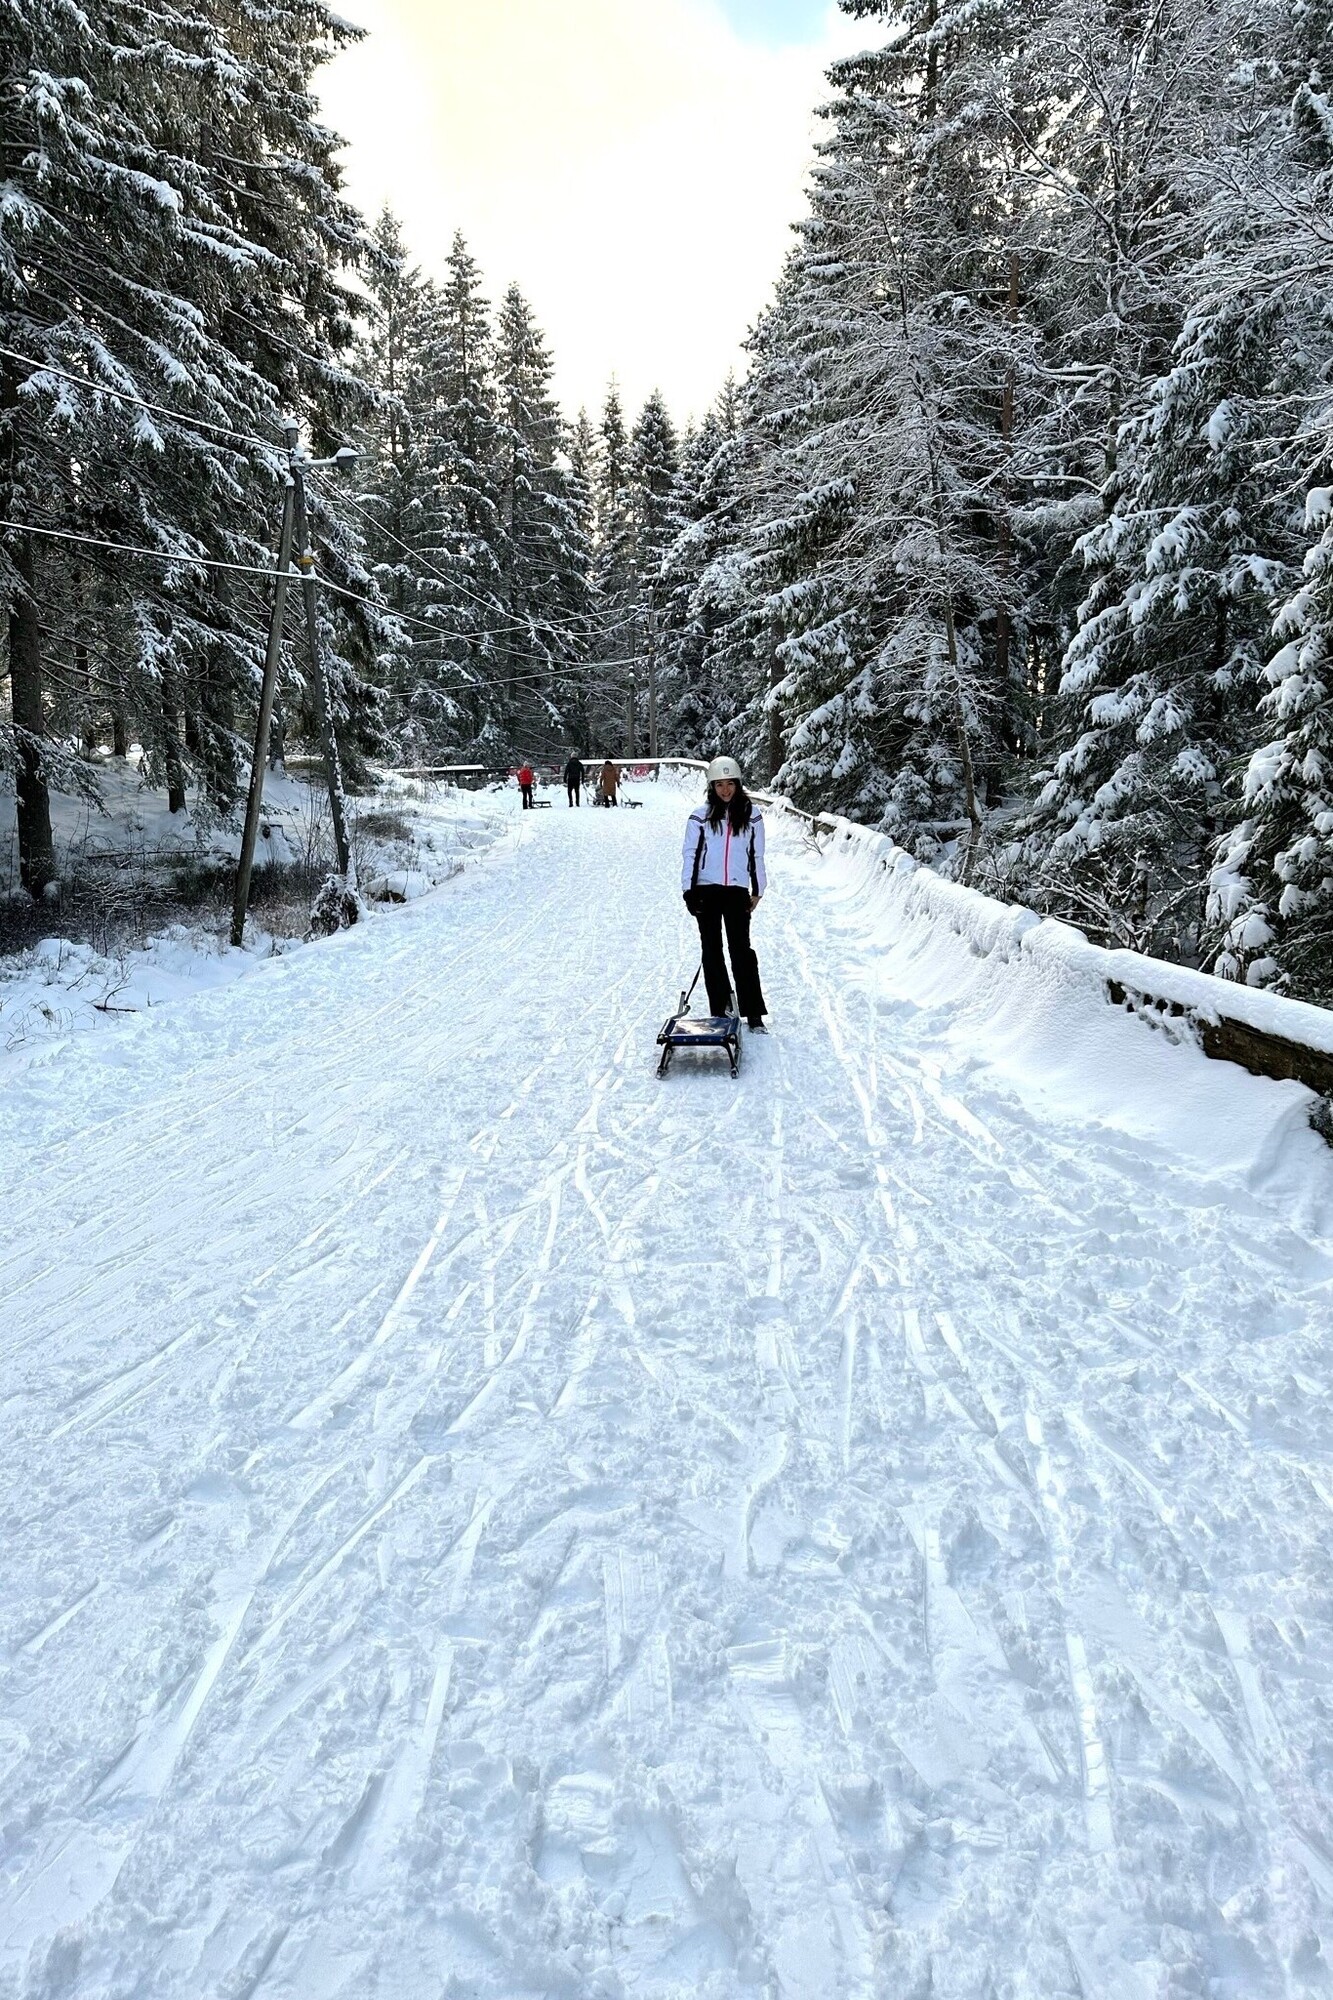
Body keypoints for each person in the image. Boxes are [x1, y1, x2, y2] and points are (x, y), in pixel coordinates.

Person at [681, 756, 768, 1032]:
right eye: (719, 784)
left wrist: (758, 888)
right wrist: (688, 890)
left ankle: (753, 1013)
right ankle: (721, 1009)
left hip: (737, 890)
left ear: (738, 784)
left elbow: (757, 853)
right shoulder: (700, 816)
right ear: (711, 786)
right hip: (706, 891)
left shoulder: (751, 815)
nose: (725, 790)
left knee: (741, 950)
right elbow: (690, 854)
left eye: (730, 783)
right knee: (711, 950)